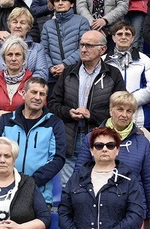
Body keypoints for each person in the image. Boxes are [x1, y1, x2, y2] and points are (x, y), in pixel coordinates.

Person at [48, 30, 126, 185]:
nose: (83, 49)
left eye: (89, 45)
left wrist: (92, 115)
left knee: (99, 184)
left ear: (102, 49)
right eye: (82, 45)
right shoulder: (68, 72)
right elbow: (53, 104)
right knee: (68, 186)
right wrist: (68, 112)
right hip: (70, 136)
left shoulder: (113, 74)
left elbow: (119, 109)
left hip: (100, 138)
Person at [74, 91, 150, 228]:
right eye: (120, 109)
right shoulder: (92, 138)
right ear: (110, 110)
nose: (124, 115)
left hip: (133, 210)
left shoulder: (142, 142)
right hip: (97, 210)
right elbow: (79, 175)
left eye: (129, 111)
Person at [0, 77, 66, 206]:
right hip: (5, 192)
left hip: (39, 194)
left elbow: (58, 159)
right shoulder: (5, 120)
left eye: (42, 94)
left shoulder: (55, 123)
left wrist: (30, 182)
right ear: (23, 93)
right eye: (33, 92)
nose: (37, 97)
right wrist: (11, 181)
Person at [58, 127, 145, 228]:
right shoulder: (77, 178)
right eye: (99, 146)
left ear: (117, 150)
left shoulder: (129, 179)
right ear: (91, 150)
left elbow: (135, 215)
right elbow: (64, 212)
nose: (104, 149)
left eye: (110, 145)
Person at [0, 36, 33, 161]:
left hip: (24, 141)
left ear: (24, 58)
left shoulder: (32, 83)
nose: (13, 58)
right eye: (9, 55)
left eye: (18, 54)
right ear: (4, 58)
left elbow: (41, 114)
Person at [103, 22, 150, 130]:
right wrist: (116, 105)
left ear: (132, 38)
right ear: (113, 38)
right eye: (119, 34)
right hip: (110, 118)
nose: (123, 37)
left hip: (140, 119)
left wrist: (126, 102)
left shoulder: (144, 60)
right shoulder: (103, 61)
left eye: (127, 34)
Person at [0, 8, 47, 85]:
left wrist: (20, 86)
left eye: (22, 23)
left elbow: (42, 74)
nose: (18, 26)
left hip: (25, 93)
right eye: (14, 22)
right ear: (9, 26)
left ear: (29, 27)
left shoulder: (38, 48)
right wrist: (3, 85)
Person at [41, 0, 90, 89]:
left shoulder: (82, 21)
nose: (60, 3)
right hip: (53, 77)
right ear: (53, 4)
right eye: (57, 0)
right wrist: (51, 68)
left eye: (64, 0)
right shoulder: (47, 25)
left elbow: (84, 47)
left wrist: (65, 65)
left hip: (75, 74)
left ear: (72, 4)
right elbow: (44, 50)